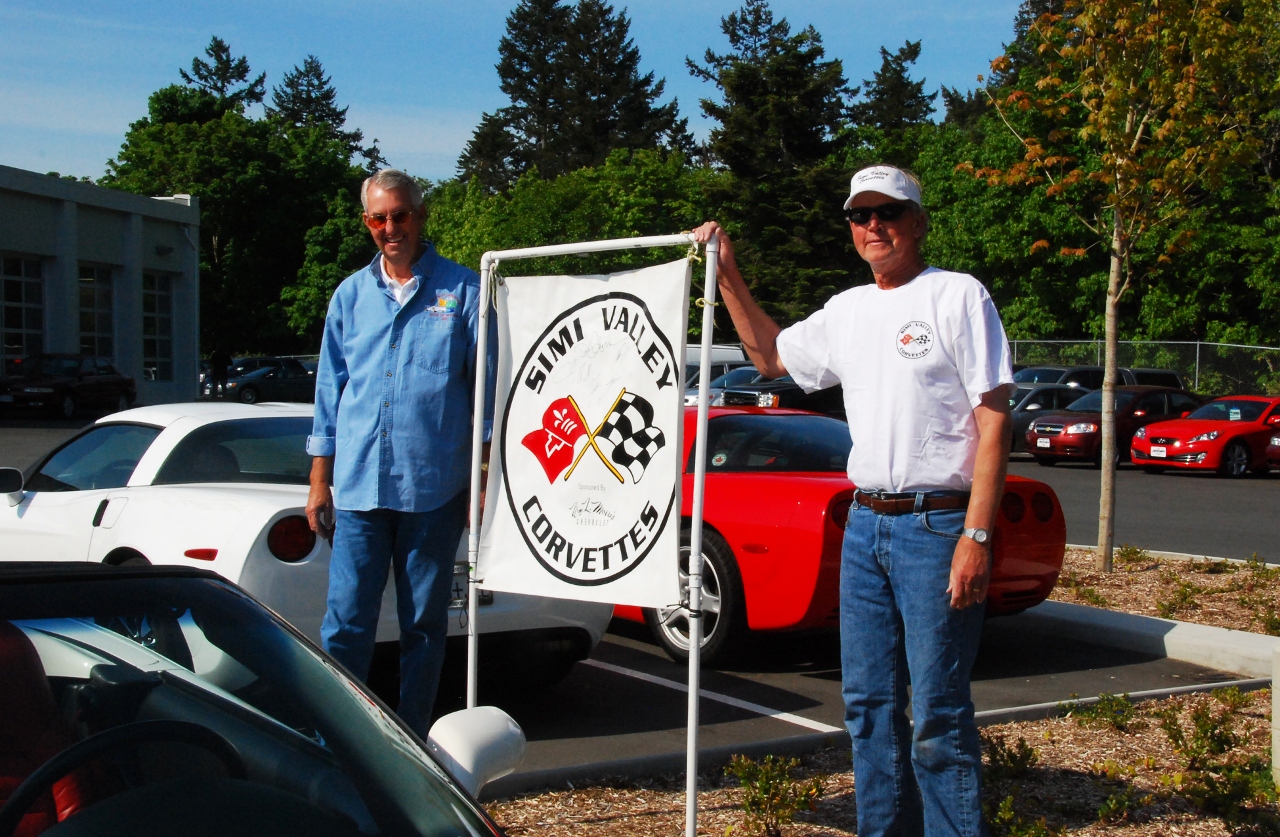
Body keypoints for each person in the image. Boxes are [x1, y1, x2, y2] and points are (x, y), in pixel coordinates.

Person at [694, 165, 1013, 837]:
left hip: (937, 526)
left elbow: (994, 423)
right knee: (867, 706)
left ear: (917, 222)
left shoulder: (958, 296)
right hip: (865, 525)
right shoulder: (846, 310)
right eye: (860, 215)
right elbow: (771, 356)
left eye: (887, 212)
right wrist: (727, 275)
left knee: (938, 712)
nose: (873, 226)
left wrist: (977, 536)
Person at [305, 168, 495, 736]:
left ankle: (411, 741)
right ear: (367, 223)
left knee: (423, 627)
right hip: (359, 491)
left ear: (420, 215)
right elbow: (329, 393)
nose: (391, 228)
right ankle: (343, 738)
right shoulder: (349, 296)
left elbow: (485, 395)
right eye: (379, 218)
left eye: (400, 216)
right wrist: (319, 481)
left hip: (433, 490)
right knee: (345, 626)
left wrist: (483, 478)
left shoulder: (465, 291)